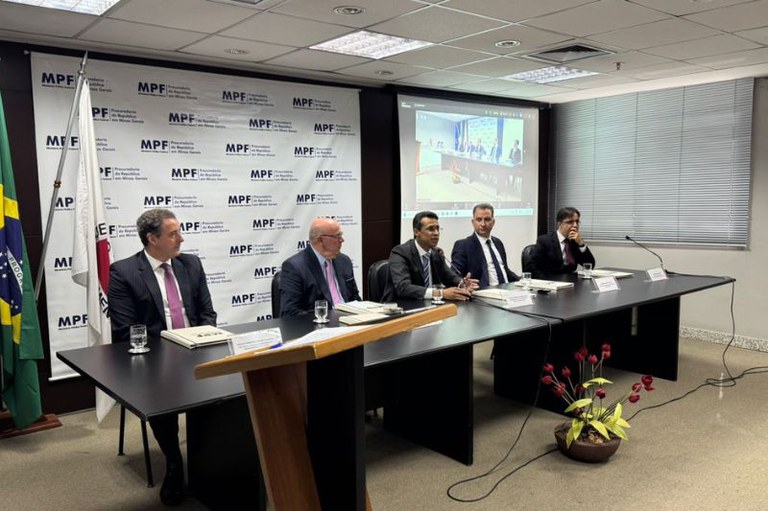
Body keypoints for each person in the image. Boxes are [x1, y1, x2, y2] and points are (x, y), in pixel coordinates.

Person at [109, 208, 217, 506]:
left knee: (225, 389)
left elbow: (207, 313)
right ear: (152, 238)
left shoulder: (191, 264)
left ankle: (211, 460)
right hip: (156, 359)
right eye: (173, 234)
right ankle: (173, 460)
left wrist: (202, 340)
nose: (181, 238)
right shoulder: (124, 272)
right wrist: (169, 352)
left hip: (195, 349)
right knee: (162, 394)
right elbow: (125, 330)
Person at [384, 211, 475, 301]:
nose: (436, 233)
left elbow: (449, 277)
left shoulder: (436, 253)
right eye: (431, 229)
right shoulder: (400, 253)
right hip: (404, 307)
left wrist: (462, 283)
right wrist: (440, 293)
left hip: (430, 306)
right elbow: (403, 287)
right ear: (416, 232)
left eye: (437, 228)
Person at [280, 217, 360, 316]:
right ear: (320, 240)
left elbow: (355, 299)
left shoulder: (344, 261)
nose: (342, 240)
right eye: (337, 236)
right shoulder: (294, 267)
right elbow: (290, 312)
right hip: (320, 324)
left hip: (350, 322)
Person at [451, 203, 520, 287]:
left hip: (507, 291)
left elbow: (504, 270)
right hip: (483, 294)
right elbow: (454, 275)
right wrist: (462, 282)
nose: (483, 224)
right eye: (479, 220)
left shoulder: (498, 243)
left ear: (493, 222)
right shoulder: (463, 245)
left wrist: (523, 280)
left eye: (487, 219)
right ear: (473, 222)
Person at [526, 206, 595, 278]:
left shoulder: (575, 241)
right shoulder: (545, 241)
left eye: (577, 221)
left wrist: (581, 244)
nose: (575, 225)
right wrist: (547, 282)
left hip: (571, 282)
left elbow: (590, 265)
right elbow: (531, 268)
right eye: (570, 222)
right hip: (551, 282)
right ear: (559, 224)